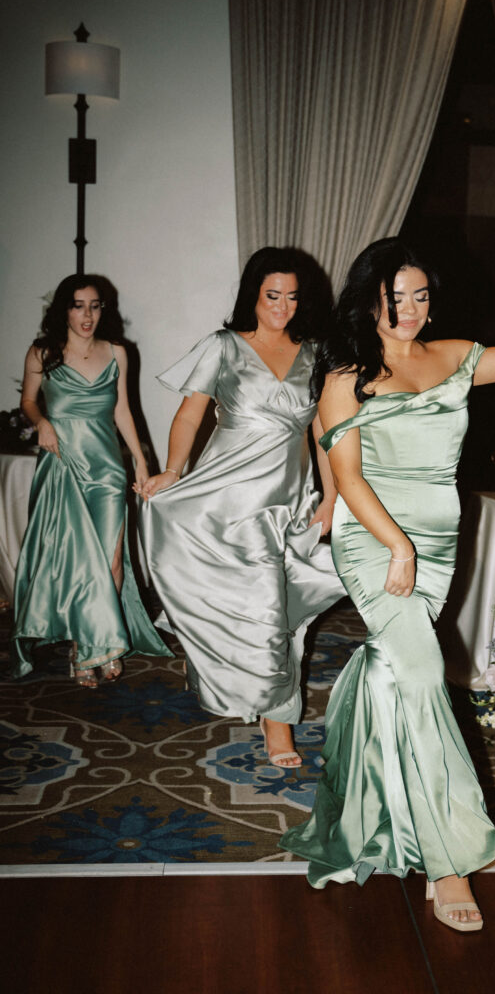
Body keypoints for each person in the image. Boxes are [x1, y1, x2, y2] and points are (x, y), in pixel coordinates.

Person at [280, 199, 495, 931]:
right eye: (393, 298)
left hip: (439, 538)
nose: (407, 310)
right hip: (375, 537)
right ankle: (447, 861)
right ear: (368, 299)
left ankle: (366, 812)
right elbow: (348, 473)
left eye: (418, 296)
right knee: (426, 672)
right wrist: (395, 545)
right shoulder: (346, 374)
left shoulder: (453, 356)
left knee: (393, 673)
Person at [139, 247, 344, 767]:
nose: (283, 307)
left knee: (280, 611)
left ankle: (270, 705)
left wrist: (331, 495)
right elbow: (189, 417)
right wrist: (172, 471)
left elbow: (323, 432)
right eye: (272, 296)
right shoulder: (225, 346)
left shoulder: (315, 351)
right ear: (253, 293)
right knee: (262, 611)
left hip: (287, 502)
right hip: (226, 498)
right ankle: (278, 723)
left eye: (292, 297)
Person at [12, 274, 170, 686]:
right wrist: (41, 421)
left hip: (105, 468)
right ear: (63, 309)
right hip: (62, 465)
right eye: (79, 305)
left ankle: (99, 641)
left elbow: (123, 411)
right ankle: (85, 644)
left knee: (111, 558)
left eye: (95, 306)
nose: (88, 315)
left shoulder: (117, 352)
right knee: (74, 561)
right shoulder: (42, 353)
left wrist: (139, 460)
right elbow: (27, 401)